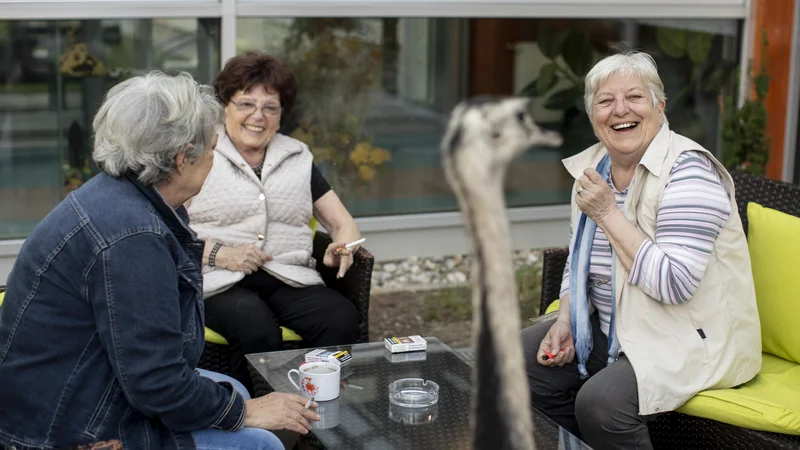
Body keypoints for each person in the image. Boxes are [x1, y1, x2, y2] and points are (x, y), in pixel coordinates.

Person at [0, 71, 319, 450]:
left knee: (232, 387)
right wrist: (244, 413)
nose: (214, 159)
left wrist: (234, 404)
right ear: (184, 159)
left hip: (71, 392)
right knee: (259, 443)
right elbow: (156, 383)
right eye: (212, 149)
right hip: (65, 430)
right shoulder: (133, 236)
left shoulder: (119, 195)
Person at [521, 52, 762, 450]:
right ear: (592, 115)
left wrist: (607, 213)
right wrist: (566, 319)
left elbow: (673, 284)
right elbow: (578, 261)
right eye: (604, 101)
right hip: (613, 329)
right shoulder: (594, 169)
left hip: (686, 339)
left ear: (659, 106)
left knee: (602, 404)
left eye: (634, 97)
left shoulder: (690, 173)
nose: (620, 111)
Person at [185, 52, 361, 394]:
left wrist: (345, 246)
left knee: (338, 317)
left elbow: (344, 224)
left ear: (282, 116)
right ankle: (249, 418)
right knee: (253, 324)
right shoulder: (201, 153)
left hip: (286, 276)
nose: (258, 116)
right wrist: (220, 254)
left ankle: (318, 411)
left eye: (270, 107)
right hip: (215, 280)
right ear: (224, 107)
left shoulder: (297, 157)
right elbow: (166, 231)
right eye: (246, 104)